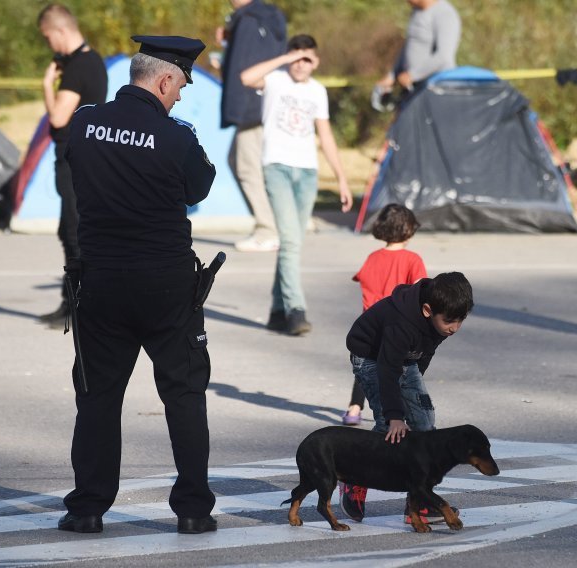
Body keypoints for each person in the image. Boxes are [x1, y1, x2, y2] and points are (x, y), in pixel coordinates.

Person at [59, 35, 218, 535]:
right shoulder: (176, 137)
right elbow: (199, 188)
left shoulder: (84, 123)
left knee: (98, 398)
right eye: (179, 88)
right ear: (165, 78)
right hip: (167, 287)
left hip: (101, 282)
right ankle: (192, 510)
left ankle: (87, 509)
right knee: (184, 395)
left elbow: (75, 171)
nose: (178, 98)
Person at [239, 34, 353, 336]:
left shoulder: (318, 90)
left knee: (293, 242)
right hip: (277, 167)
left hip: (307, 172)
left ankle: (277, 311)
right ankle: (296, 309)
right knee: (289, 241)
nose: (300, 64)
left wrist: (341, 177)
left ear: (315, 61)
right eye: (296, 57)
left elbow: (325, 135)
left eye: (307, 59)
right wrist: (284, 58)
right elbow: (246, 78)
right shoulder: (275, 80)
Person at [340, 271, 473, 525]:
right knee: (387, 427)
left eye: (461, 320)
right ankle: (352, 478)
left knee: (424, 425)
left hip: (405, 360)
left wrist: (413, 391)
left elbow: (425, 353)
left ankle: (418, 504)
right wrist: (395, 416)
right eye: (450, 321)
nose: (455, 328)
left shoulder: (439, 321)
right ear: (427, 310)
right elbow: (387, 369)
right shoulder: (400, 323)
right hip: (371, 358)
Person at [36, 3, 107, 328]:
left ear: (60, 31)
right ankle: (70, 303)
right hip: (80, 157)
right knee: (69, 231)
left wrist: (47, 85)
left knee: (75, 233)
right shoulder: (90, 61)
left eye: (47, 37)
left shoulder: (80, 66)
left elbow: (58, 117)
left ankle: (80, 309)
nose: (48, 44)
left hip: (75, 160)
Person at [342, 204, 426, 426]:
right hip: (397, 324)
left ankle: (354, 408)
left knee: (367, 366)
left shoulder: (373, 257)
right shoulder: (412, 259)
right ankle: (397, 415)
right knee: (395, 369)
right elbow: (420, 290)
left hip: (369, 323)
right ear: (408, 229)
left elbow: (363, 279)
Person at [218, 0, 287, 253]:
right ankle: (273, 225)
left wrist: (237, 110)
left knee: (246, 166)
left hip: (251, 106)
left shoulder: (247, 21)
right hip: (266, 102)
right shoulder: (270, 17)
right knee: (242, 162)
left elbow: (243, 67)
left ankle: (267, 230)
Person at [376, 0, 461, 100]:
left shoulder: (445, 14)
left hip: (437, 90)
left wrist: (413, 75)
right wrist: (392, 76)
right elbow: (408, 46)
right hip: (414, 90)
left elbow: (444, 56)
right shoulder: (417, 11)